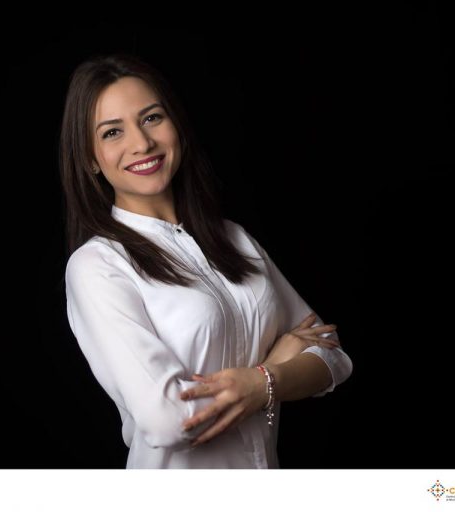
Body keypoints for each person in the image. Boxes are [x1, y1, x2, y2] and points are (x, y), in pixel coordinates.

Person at [58, 53, 353, 469]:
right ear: (90, 158)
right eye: (112, 132)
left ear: (175, 124)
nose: (141, 143)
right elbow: (169, 421)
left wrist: (264, 382)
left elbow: (332, 354)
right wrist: (268, 375)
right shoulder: (98, 267)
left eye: (152, 118)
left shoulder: (234, 238)